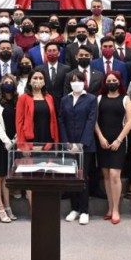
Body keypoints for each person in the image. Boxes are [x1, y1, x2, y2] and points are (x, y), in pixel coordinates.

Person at [94, 71, 131, 225]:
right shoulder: (99, 99)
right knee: (106, 175)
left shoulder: (125, 99)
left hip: (119, 141)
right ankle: (109, 208)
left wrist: (119, 140)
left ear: (119, 82)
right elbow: (95, 121)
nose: (111, 82)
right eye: (109, 80)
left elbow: (130, 122)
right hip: (103, 141)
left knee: (114, 174)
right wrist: (101, 137)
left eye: (114, 80)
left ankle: (116, 209)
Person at [59, 72, 98, 225]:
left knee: (83, 177)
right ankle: (74, 208)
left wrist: (81, 143)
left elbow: (91, 121)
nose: (76, 83)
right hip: (69, 145)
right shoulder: (65, 99)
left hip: (85, 146)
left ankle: (84, 210)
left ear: (84, 82)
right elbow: (61, 120)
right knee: (71, 177)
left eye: (79, 80)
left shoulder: (91, 99)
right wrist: (66, 142)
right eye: (73, 80)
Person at [0, 74, 18, 223]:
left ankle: (8, 206)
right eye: (5, 82)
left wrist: (15, 139)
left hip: (15, 142)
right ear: (1, 85)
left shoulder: (18, 100)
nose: (8, 84)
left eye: (10, 82)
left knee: (8, 175)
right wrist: (7, 141)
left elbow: (21, 121)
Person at [16, 70, 59, 145]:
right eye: (35, 78)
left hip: (48, 139)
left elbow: (54, 121)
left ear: (44, 82)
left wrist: (56, 143)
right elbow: (19, 123)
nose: (38, 80)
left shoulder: (49, 98)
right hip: (30, 140)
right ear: (29, 81)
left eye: (41, 78)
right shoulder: (23, 98)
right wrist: (22, 144)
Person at [37, 41, 70, 106]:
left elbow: (67, 88)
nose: (52, 52)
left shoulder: (66, 69)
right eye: (49, 51)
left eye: (54, 50)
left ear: (59, 53)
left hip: (61, 103)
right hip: (44, 102)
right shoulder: (39, 69)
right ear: (45, 53)